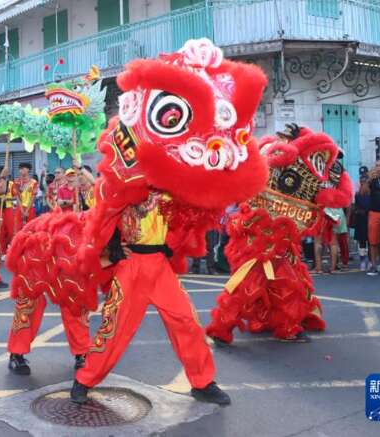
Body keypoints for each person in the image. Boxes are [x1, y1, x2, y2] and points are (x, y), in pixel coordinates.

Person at [71, 190, 229, 406]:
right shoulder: (126, 183)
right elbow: (101, 212)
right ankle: (85, 379)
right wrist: (113, 244)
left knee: (187, 321)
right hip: (131, 266)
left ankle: (203, 383)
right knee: (114, 327)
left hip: (160, 266)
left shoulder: (171, 187)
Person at [0, 165, 18, 252]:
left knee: (11, 231)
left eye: (4, 174)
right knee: (0, 231)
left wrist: (7, 199)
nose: (2, 176)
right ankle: (2, 250)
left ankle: (11, 249)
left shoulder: (11, 184)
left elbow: (16, 197)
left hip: (8, 209)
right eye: (0, 174)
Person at [352, 169, 371, 271]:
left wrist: (364, 211)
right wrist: (358, 211)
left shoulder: (372, 194)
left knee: (371, 242)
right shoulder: (357, 194)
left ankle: (371, 261)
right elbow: (355, 206)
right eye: (361, 181)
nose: (363, 183)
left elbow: (372, 206)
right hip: (361, 220)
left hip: (369, 219)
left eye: (365, 181)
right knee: (362, 242)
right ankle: (363, 261)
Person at [14, 162, 38, 228]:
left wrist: (27, 211)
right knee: (19, 228)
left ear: (28, 170)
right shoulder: (16, 182)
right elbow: (17, 197)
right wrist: (22, 210)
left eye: (23, 168)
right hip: (19, 208)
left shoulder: (34, 182)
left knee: (30, 228)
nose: (21, 170)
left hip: (30, 208)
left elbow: (33, 197)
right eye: (20, 169)